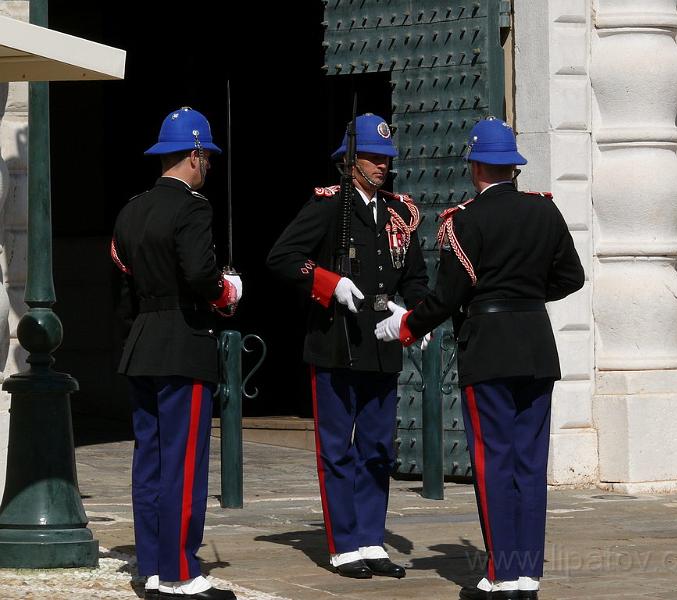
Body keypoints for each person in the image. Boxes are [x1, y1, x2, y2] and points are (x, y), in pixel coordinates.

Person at [375, 117, 585, 600]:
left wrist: (406, 325)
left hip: (489, 348)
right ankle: (527, 574)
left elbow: (448, 296)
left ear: (475, 167)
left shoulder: (464, 221)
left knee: (494, 463)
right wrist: (525, 297)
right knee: (529, 464)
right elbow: (570, 278)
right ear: (513, 166)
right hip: (536, 346)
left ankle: (502, 574)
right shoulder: (545, 211)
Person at [267, 113, 429, 579]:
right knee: (338, 450)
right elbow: (283, 257)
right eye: (373, 158)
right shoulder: (328, 205)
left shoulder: (399, 212)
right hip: (336, 341)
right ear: (350, 161)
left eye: (386, 158)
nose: (382, 165)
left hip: (382, 341)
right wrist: (328, 282)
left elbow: (415, 275)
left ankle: (371, 540)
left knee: (377, 449)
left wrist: (414, 314)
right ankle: (344, 546)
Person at [111, 107, 241, 600]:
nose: (208, 165)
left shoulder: (131, 210)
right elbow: (200, 274)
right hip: (184, 344)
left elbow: (124, 291)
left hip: (142, 345)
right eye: (207, 157)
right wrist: (228, 291)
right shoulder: (193, 208)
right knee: (183, 464)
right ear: (194, 155)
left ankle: (151, 565)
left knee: (149, 463)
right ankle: (180, 572)